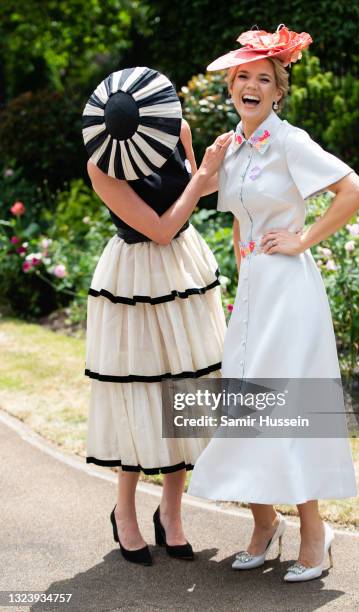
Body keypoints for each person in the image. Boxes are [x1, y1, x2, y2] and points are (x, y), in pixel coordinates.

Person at [188, 26, 359, 582]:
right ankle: (265, 524)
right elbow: (241, 220)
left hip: (290, 293)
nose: (251, 85)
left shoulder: (289, 140)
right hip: (254, 295)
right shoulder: (234, 147)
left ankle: (316, 531)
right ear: (230, 87)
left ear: (277, 92)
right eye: (243, 76)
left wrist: (303, 239)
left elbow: (354, 191)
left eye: (263, 79)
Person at [81, 66, 232, 565]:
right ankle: (124, 511)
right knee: (139, 390)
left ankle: (171, 511)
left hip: (184, 271)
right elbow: (161, 227)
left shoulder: (177, 129)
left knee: (185, 389)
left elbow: (195, 193)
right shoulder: (101, 165)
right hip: (136, 277)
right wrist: (204, 174)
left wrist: (212, 169)